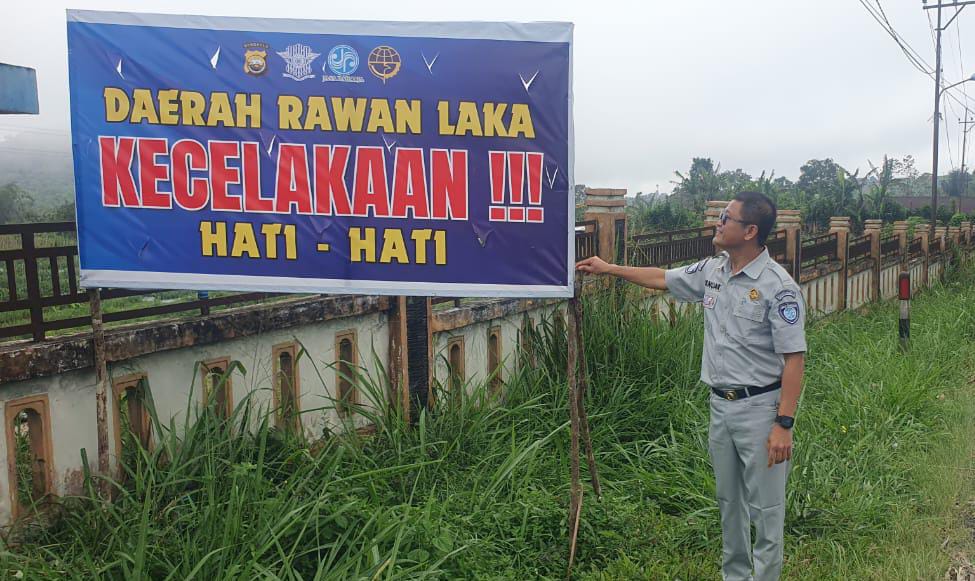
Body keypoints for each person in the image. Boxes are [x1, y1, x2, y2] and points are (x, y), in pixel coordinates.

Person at [576, 191, 806, 581]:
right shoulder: (714, 271)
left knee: (766, 510)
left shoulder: (777, 287)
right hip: (721, 407)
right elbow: (661, 279)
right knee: (728, 503)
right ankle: (735, 575)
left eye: (726, 218)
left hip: (760, 410)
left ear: (750, 230)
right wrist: (609, 267)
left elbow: (794, 358)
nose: (718, 223)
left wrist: (783, 423)